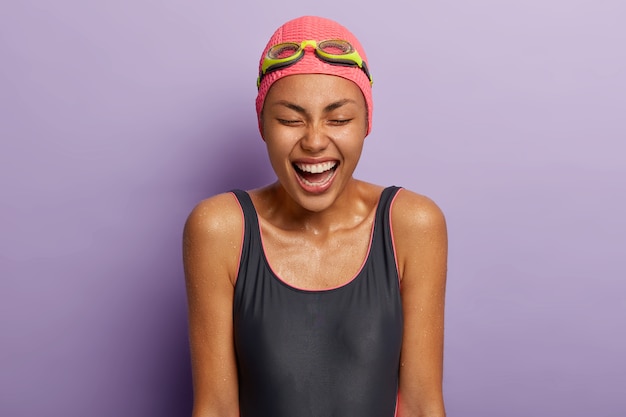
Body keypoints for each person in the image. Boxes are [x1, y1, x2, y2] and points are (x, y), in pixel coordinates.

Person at [183, 15, 448, 417]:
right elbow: (216, 408)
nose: (314, 141)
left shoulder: (411, 224)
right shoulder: (220, 229)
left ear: (366, 123)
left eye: (339, 119)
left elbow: (421, 405)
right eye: (290, 120)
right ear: (262, 125)